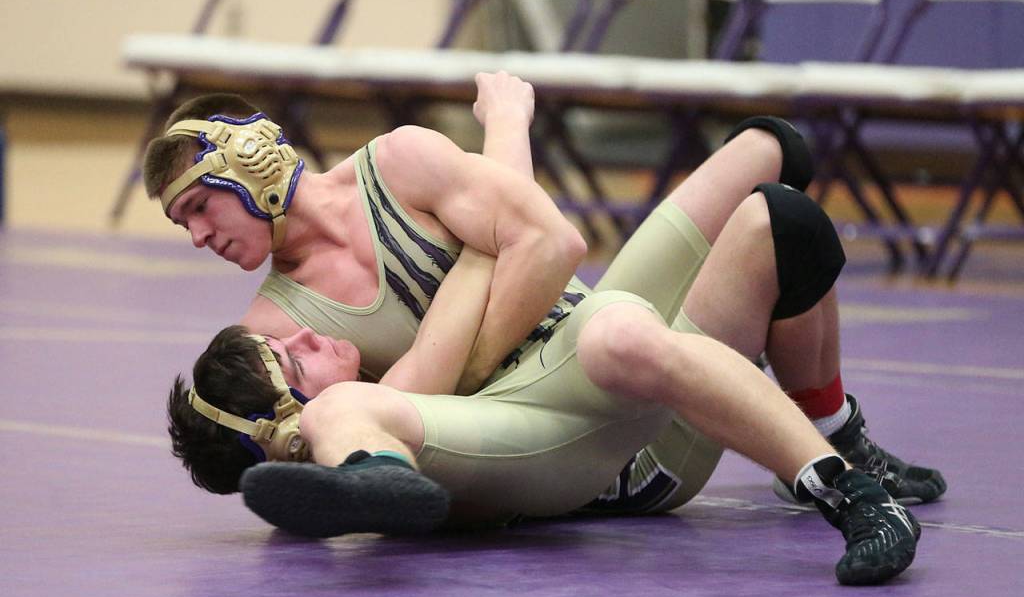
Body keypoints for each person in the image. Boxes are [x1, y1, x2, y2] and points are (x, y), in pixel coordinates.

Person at [146, 73, 945, 507]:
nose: (199, 239)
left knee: (772, 150)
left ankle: (829, 422)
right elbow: (336, 434)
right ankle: (826, 438)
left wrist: (489, 268)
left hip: (591, 323)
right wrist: (503, 175)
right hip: (588, 425)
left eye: (197, 209)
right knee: (779, 224)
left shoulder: (397, 164)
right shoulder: (271, 326)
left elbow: (550, 241)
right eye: (184, 227)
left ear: (248, 159)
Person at [168, 230, 921, 586]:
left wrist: (477, 215)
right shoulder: (365, 398)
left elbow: (516, 244)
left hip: (564, 400)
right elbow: (518, 238)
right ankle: (373, 479)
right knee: (619, 331)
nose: (307, 329)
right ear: (280, 433)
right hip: (609, 458)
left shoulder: (387, 379)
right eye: (293, 356)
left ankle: (846, 469)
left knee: (774, 215)